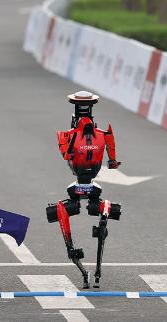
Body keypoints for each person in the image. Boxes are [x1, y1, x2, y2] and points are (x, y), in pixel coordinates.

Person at [46, 91, 121, 289]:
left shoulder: (66, 136)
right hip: (93, 186)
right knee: (102, 210)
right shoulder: (104, 135)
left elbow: (65, 154)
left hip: (77, 184)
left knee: (61, 210)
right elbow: (112, 161)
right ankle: (97, 269)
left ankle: (73, 251)